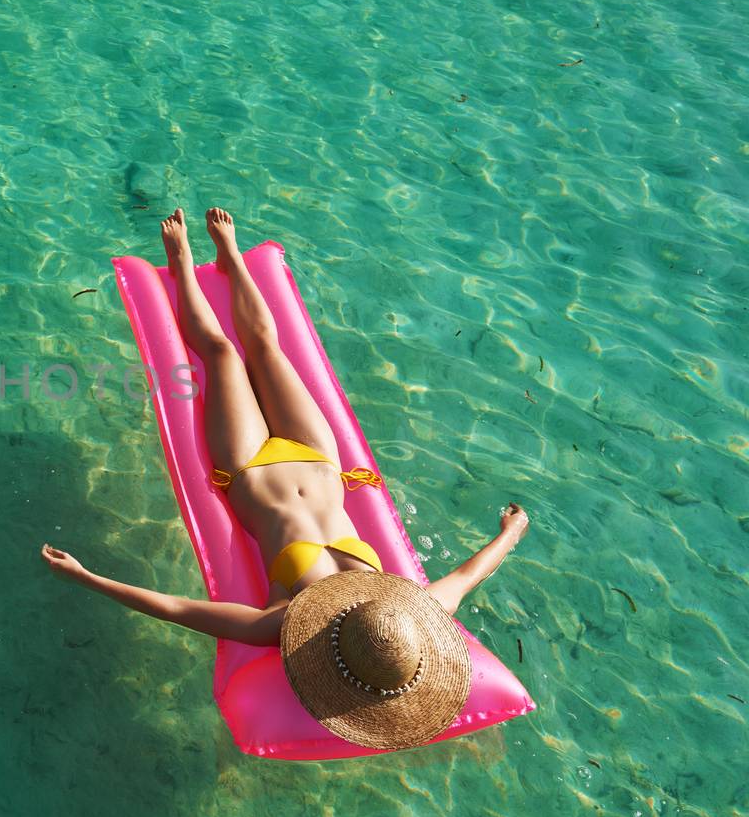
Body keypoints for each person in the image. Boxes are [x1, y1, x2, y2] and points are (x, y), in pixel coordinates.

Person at [40, 208, 530, 749]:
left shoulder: (289, 623)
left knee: (224, 354)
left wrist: (88, 578)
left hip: (249, 467)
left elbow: (181, 611)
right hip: (320, 459)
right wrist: (510, 533)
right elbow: (468, 575)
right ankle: (230, 257)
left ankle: (179, 264)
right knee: (268, 348)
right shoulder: (407, 611)